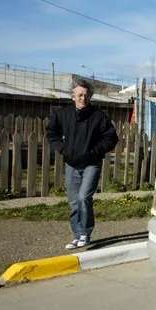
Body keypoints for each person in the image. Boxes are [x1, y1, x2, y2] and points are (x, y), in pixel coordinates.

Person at [46, 78, 119, 249]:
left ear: (90, 96)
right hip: (71, 163)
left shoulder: (98, 116)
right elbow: (51, 132)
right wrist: (63, 149)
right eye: (79, 95)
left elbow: (111, 137)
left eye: (85, 95)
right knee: (73, 201)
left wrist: (95, 151)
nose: (82, 98)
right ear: (73, 96)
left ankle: (85, 233)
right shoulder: (63, 114)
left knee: (83, 197)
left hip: (91, 164)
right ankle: (76, 235)